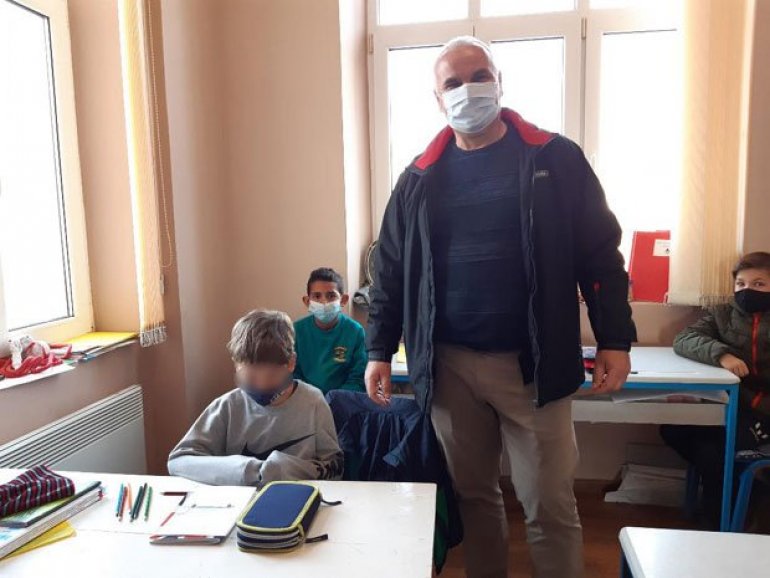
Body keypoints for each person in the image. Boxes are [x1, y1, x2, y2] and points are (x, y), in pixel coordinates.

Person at [365, 36, 636, 578]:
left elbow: (599, 254)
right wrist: (378, 349)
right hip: (448, 366)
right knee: (475, 497)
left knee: (549, 505)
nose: (468, 90)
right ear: (437, 99)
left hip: (533, 365)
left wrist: (614, 338)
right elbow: (389, 269)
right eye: (452, 83)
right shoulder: (418, 177)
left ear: (499, 82)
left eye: (479, 76)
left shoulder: (554, 158)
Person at [168, 309, 344, 487]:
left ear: (291, 363)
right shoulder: (228, 406)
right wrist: (246, 470)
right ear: (236, 365)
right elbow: (178, 461)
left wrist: (283, 469)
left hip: (298, 495)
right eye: (250, 378)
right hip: (238, 500)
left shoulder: (313, 402)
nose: (262, 385)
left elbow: (335, 467)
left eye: (272, 376)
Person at [662, 251, 770, 529]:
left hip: (762, 412)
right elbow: (685, 339)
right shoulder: (723, 314)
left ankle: (719, 521)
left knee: (714, 453)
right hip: (730, 404)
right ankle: (745, 495)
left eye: (758, 284)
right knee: (673, 428)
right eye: (741, 284)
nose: (747, 290)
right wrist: (722, 355)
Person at [294, 267, 367, 394]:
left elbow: (358, 378)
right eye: (317, 296)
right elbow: (291, 374)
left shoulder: (355, 332)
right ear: (307, 301)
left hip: (343, 400)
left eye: (331, 296)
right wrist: (311, 399)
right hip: (306, 400)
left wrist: (335, 399)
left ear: (343, 300)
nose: (324, 302)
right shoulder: (296, 331)